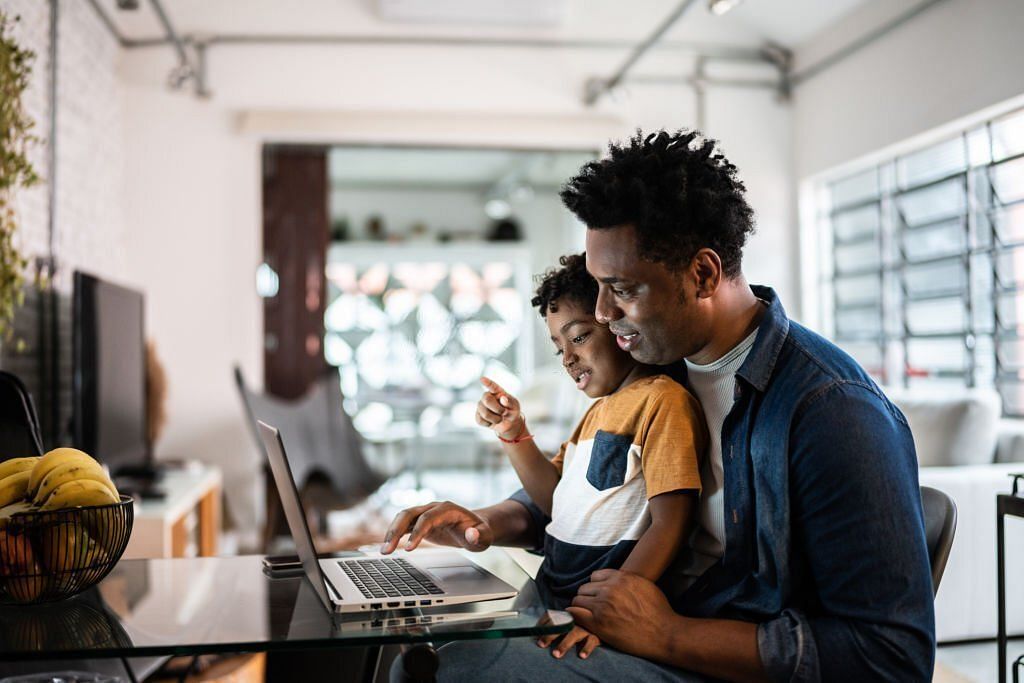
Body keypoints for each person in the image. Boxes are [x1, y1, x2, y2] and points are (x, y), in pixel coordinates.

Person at [381, 129, 935, 682]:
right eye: (598, 286)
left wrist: (668, 633)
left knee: (456, 672)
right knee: (404, 649)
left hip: (701, 655)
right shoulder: (654, 365)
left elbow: (890, 657)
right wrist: (486, 522)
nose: (600, 314)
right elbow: (588, 493)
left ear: (702, 275)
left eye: (622, 289)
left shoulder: (832, 412)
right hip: (631, 626)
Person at [472, 252, 706, 658]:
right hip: (548, 592)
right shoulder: (597, 412)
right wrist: (514, 434)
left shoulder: (663, 401)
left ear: (618, 326)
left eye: (578, 337)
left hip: (590, 611)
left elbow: (672, 522)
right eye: (559, 345)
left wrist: (609, 610)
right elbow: (554, 502)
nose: (567, 358)